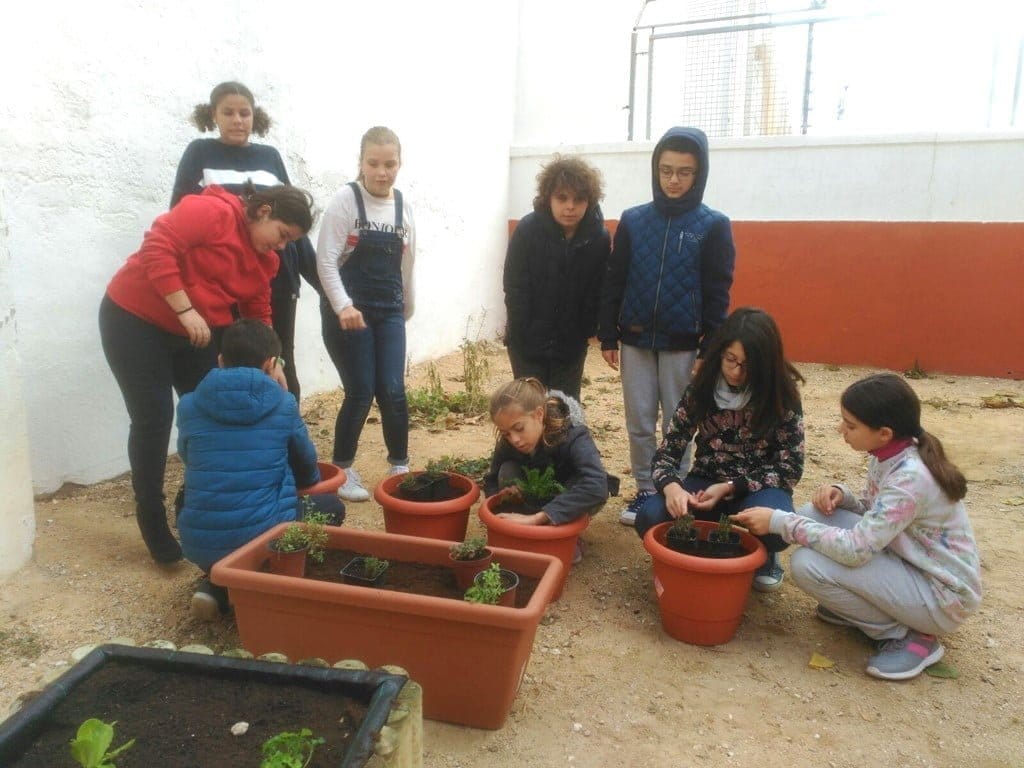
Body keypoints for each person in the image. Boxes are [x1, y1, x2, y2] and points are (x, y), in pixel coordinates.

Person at [99, 182, 314, 564]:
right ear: (263, 211)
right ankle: (151, 516)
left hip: (194, 331)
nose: (282, 246)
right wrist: (183, 308)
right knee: (154, 419)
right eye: (282, 235)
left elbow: (257, 309)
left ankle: (196, 505)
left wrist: (275, 362)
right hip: (134, 318)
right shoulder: (213, 211)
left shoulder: (266, 261)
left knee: (217, 412)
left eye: (289, 242)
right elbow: (157, 247)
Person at [731, 373, 982, 680]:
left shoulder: (910, 478)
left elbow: (855, 550)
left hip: (941, 598)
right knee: (813, 513)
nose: (841, 430)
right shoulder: (892, 455)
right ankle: (866, 611)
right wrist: (844, 497)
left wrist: (778, 521)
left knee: (807, 564)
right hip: (912, 565)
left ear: (884, 433)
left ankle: (907, 636)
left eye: (850, 425)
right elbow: (880, 515)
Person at [598, 126, 736, 527]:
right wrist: (609, 333)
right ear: (655, 171)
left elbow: (718, 290)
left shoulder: (713, 225)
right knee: (639, 420)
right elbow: (615, 278)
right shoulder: (634, 220)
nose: (673, 180)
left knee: (679, 422)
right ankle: (645, 489)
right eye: (666, 170)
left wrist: (710, 347)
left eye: (685, 172)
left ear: (700, 174)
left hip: (683, 345)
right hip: (636, 340)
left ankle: (675, 488)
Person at [176, 319, 345, 621]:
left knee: (187, 497)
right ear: (271, 363)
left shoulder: (189, 404)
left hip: (200, 543)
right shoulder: (282, 403)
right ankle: (269, 579)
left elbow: (190, 458)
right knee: (330, 506)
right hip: (264, 540)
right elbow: (307, 467)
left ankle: (216, 583)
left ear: (220, 360)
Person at [633, 308, 804, 592]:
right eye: (730, 360)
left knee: (777, 527)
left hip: (757, 489)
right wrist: (672, 487)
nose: (736, 372)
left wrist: (729, 488)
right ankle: (699, 549)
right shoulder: (700, 389)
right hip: (704, 484)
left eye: (747, 365)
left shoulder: (781, 396)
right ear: (720, 353)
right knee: (651, 517)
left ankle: (765, 555)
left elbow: (790, 467)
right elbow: (668, 450)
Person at [171, 81, 321, 401]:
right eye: (228, 112)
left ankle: (288, 441)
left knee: (280, 360)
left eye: (245, 113)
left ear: (255, 117)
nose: (238, 120)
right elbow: (180, 213)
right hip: (224, 286)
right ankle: (242, 441)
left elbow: (293, 220)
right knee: (233, 364)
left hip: (276, 279)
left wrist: (326, 288)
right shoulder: (200, 152)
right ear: (214, 115)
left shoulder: (270, 157)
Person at [317, 126, 416, 502]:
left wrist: (407, 307)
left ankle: (400, 467)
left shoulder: (403, 205)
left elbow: (409, 261)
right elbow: (325, 261)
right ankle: (342, 468)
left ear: (399, 163)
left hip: (389, 308)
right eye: (373, 163)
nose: (381, 172)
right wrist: (343, 305)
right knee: (360, 390)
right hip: (349, 311)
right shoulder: (345, 200)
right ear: (361, 162)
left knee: (392, 389)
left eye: (390, 164)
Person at [503, 155, 610, 401]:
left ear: (590, 201)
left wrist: (587, 329)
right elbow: (515, 286)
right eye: (562, 198)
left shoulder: (598, 238)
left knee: (564, 411)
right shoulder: (527, 231)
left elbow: (598, 289)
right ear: (548, 197)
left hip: (570, 346)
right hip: (526, 342)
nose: (570, 207)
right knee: (530, 408)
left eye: (578, 199)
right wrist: (521, 331)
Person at [483, 378, 609, 563]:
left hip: (567, 494)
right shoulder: (508, 440)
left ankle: (564, 536)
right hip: (533, 495)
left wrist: (539, 518)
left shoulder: (572, 434)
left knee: (582, 482)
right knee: (506, 470)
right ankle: (523, 529)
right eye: (506, 433)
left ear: (539, 414)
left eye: (519, 428)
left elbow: (597, 484)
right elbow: (492, 480)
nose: (514, 439)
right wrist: (501, 496)